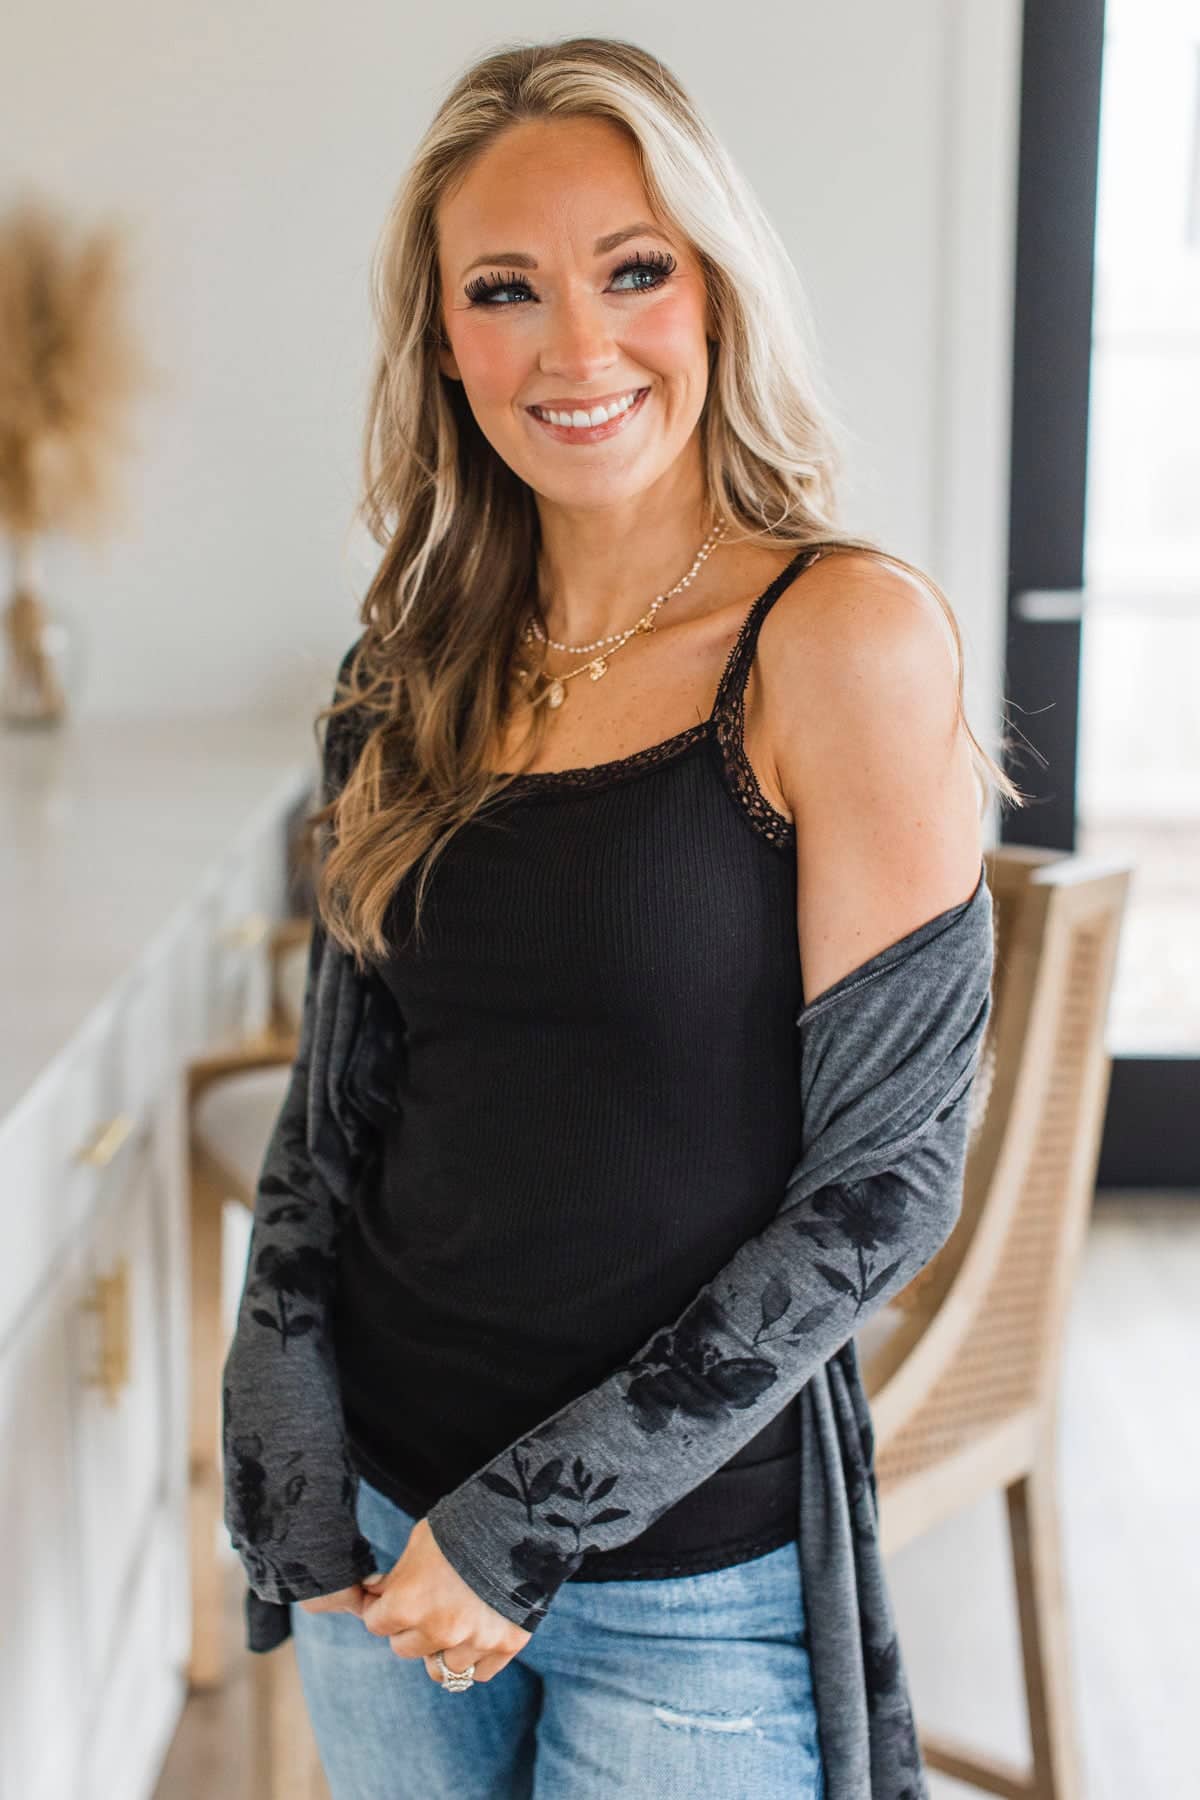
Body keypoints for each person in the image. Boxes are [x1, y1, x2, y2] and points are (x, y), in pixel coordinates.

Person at [227, 33, 1018, 1800]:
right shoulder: (401, 667)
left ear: (717, 291)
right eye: (505, 289)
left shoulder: (839, 639)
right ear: (446, 341)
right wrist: (277, 1424)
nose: (577, 350)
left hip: (687, 1583)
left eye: (634, 270)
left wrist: (524, 1519)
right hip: (387, 1524)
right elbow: (337, 1104)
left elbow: (885, 1191)